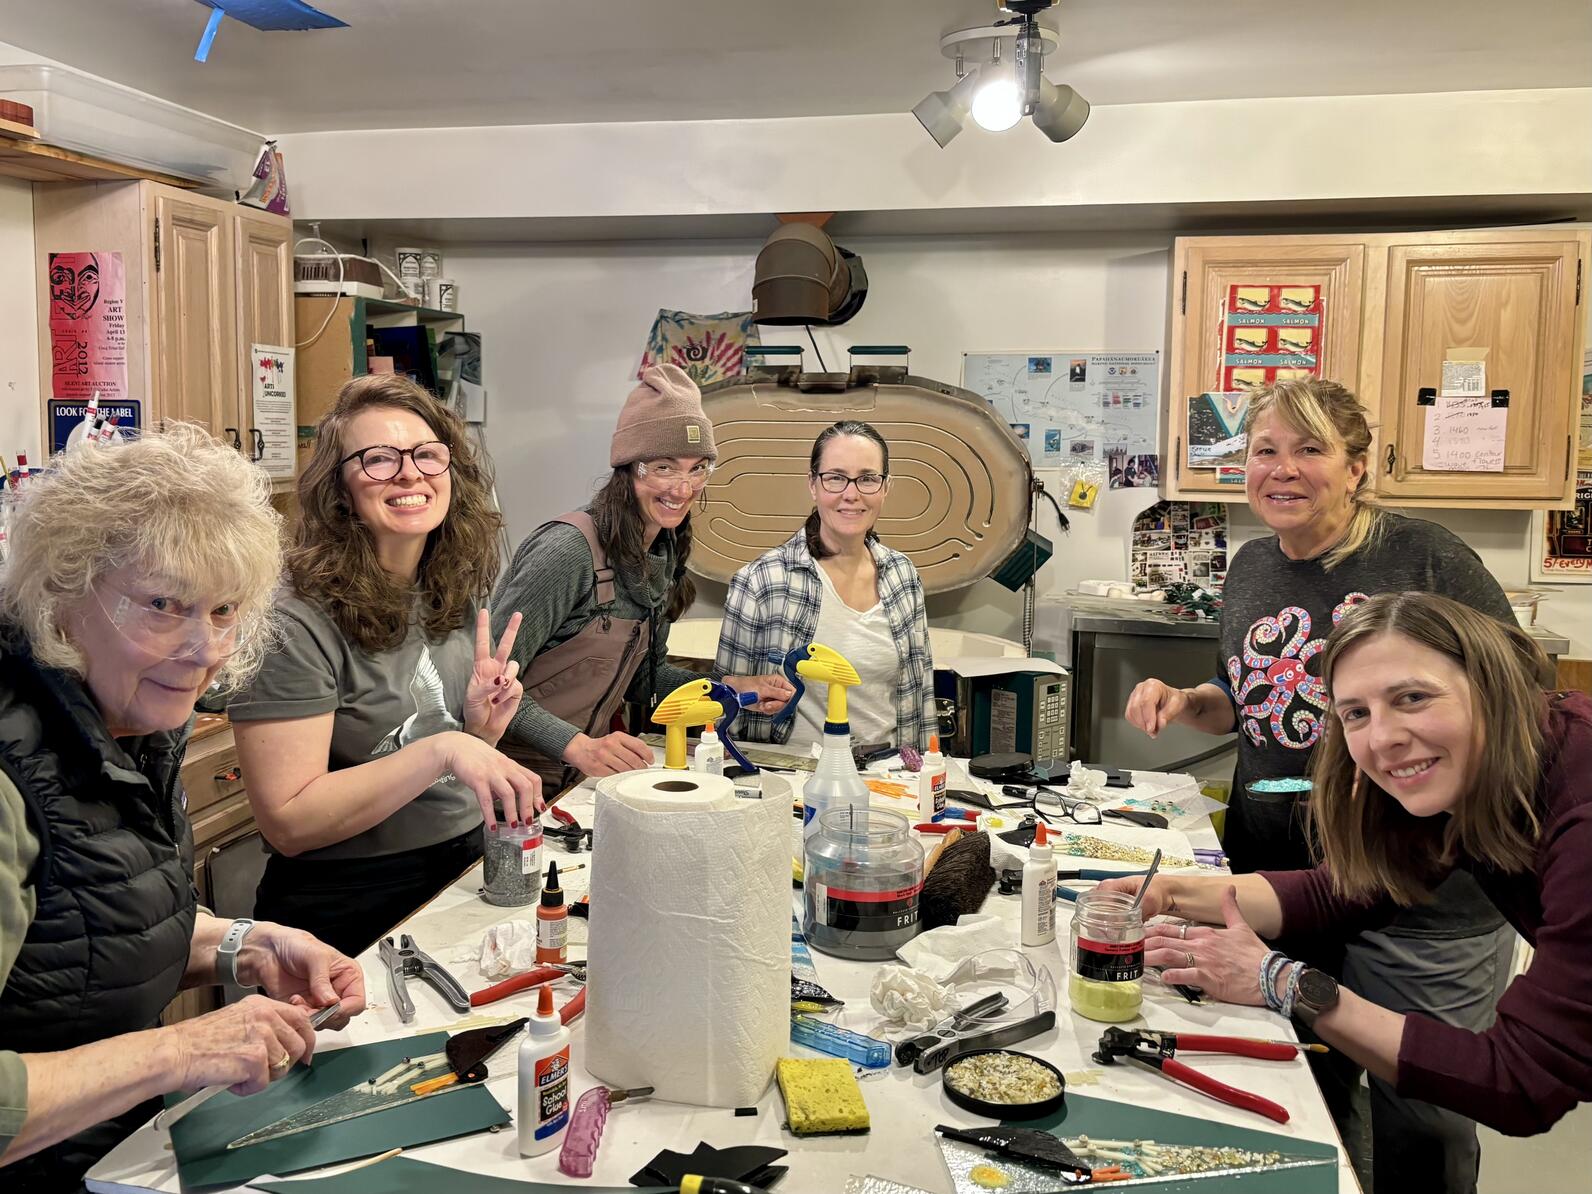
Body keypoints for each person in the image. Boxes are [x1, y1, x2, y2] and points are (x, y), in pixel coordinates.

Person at [1123, 379, 1517, 1194]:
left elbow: (1513, 699)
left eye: (1310, 450)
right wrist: (1189, 701)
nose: (1283, 469)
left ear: (1358, 467)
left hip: (1419, 894)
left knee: (1425, 1120)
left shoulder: (1426, 558)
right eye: (1266, 450)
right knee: (1301, 1085)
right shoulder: (1253, 564)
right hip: (1281, 881)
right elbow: (1251, 698)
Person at [0, 426, 366, 1190]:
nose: (205, 650)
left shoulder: (129, 723)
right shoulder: (11, 773)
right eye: (165, 605)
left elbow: (83, 929)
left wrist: (251, 946)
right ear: (63, 595)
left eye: (225, 610)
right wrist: (182, 1052)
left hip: (113, 1159)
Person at [1106, 592, 1592, 1145]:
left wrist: (1280, 981)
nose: (1382, 738)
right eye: (1356, 713)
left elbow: (1520, 1081)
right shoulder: (1482, 761)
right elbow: (1351, 891)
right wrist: (1169, 894)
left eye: (1412, 697)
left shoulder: (1580, 806)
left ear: (1492, 683)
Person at [230, 376, 540, 957]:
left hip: (460, 868)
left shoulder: (447, 585)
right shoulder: (293, 621)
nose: (410, 473)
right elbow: (289, 821)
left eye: (427, 454)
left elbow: (436, 765)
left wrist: (478, 731)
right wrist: (442, 749)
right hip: (349, 906)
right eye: (378, 459)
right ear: (340, 489)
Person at [492, 364, 792, 793]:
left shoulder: (663, 552)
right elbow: (489, 685)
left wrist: (728, 689)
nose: (683, 488)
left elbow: (641, 682)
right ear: (629, 468)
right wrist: (575, 745)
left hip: (576, 781)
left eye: (697, 468)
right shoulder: (567, 552)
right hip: (508, 781)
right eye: (664, 467)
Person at [715, 420, 936, 752]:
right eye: (835, 477)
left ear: (886, 487)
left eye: (867, 479)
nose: (851, 494)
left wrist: (925, 775)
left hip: (888, 775)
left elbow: (921, 698)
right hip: (794, 778)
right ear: (813, 484)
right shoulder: (761, 581)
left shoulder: (902, 577)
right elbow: (725, 706)